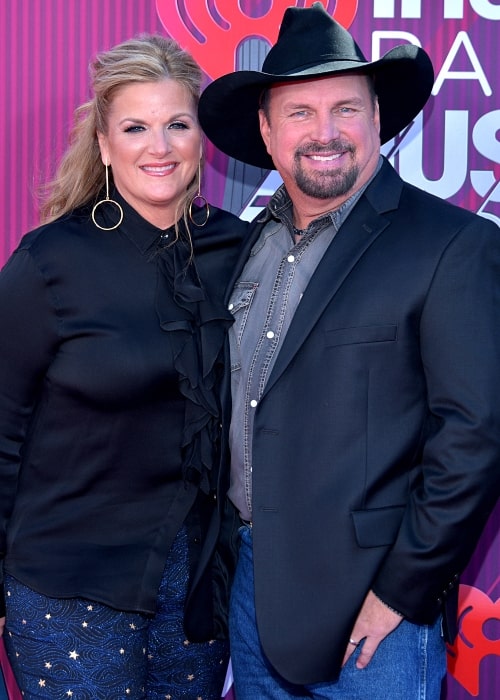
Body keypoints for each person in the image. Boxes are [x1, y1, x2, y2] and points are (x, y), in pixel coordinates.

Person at [198, 4, 500, 699]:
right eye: (299, 112)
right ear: (269, 133)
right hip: (245, 586)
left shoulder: (452, 245)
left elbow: (474, 435)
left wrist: (402, 591)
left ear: (378, 120)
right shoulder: (247, 247)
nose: (325, 132)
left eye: (346, 108)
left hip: (372, 611)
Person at [0, 34, 247, 699]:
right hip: (68, 586)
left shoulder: (241, 251)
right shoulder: (50, 262)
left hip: (195, 589)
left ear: (203, 139)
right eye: (135, 127)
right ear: (105, 146)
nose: (158, 146)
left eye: (177, 124)